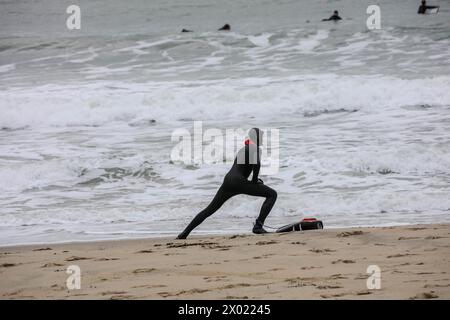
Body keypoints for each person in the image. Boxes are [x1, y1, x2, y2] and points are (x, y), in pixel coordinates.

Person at [176, 128, 277, 239]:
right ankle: (258, 226)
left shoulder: (244, 149)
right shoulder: (254, 148)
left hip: (228, 181)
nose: (263, 139)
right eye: (261, 136)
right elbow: (256, 164)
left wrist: (253, 181)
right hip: (239, 182)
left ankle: (185, 233)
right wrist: (254, 181)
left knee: (209, 210)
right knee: (272, 194)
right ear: (256, 137)